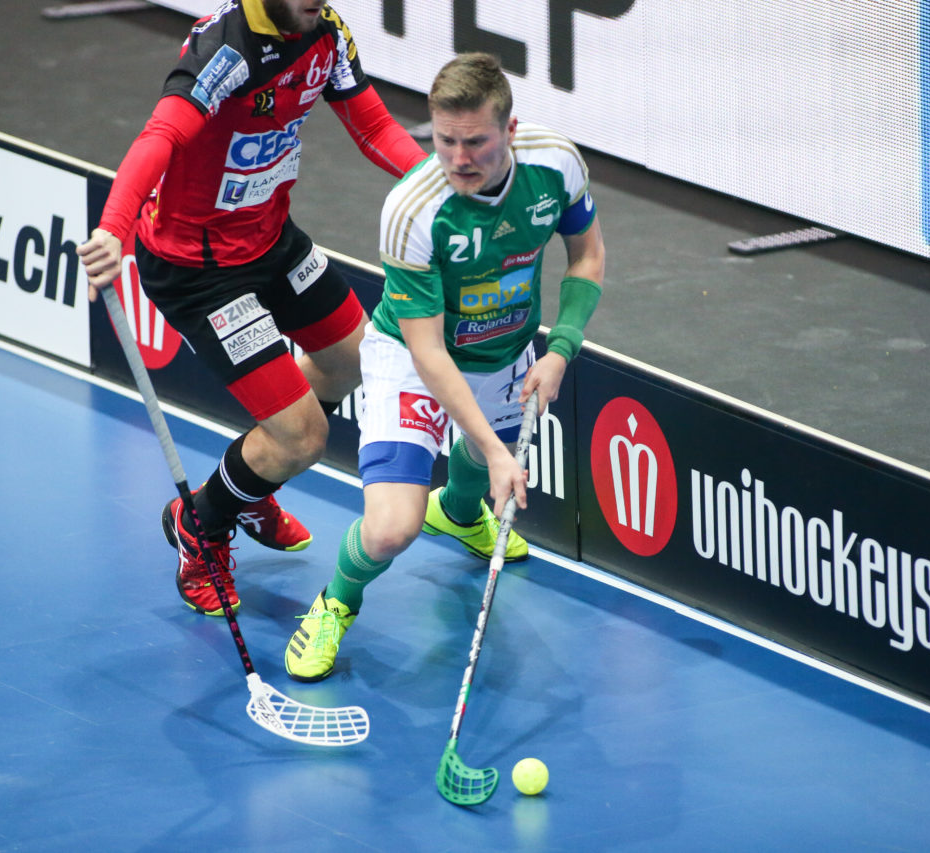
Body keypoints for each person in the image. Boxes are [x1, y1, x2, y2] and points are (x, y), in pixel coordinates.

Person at [77, 1, 426, 617]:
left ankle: (251, 485)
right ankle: (202, 527)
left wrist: (440, 188)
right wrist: (113, 226)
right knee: (302, 437)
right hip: (199, 271)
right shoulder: (226, 50)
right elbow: (160, 135)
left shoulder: (326, 30)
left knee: (353, 360)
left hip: (269, 239)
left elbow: (373, 129)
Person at [284, 52, 606, 681]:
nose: (459, 158)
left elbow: (588, 257)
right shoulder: (414, 210)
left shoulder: (557, 166)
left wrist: (561, 348)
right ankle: (333, 604)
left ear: (509, 131)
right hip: (412, 361)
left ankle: (458, 516)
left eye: (477, 142)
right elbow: (428, 354)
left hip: (509, 350)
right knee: (389, 531)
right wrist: (493, 449)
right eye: (445, 141)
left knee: (479, 467)